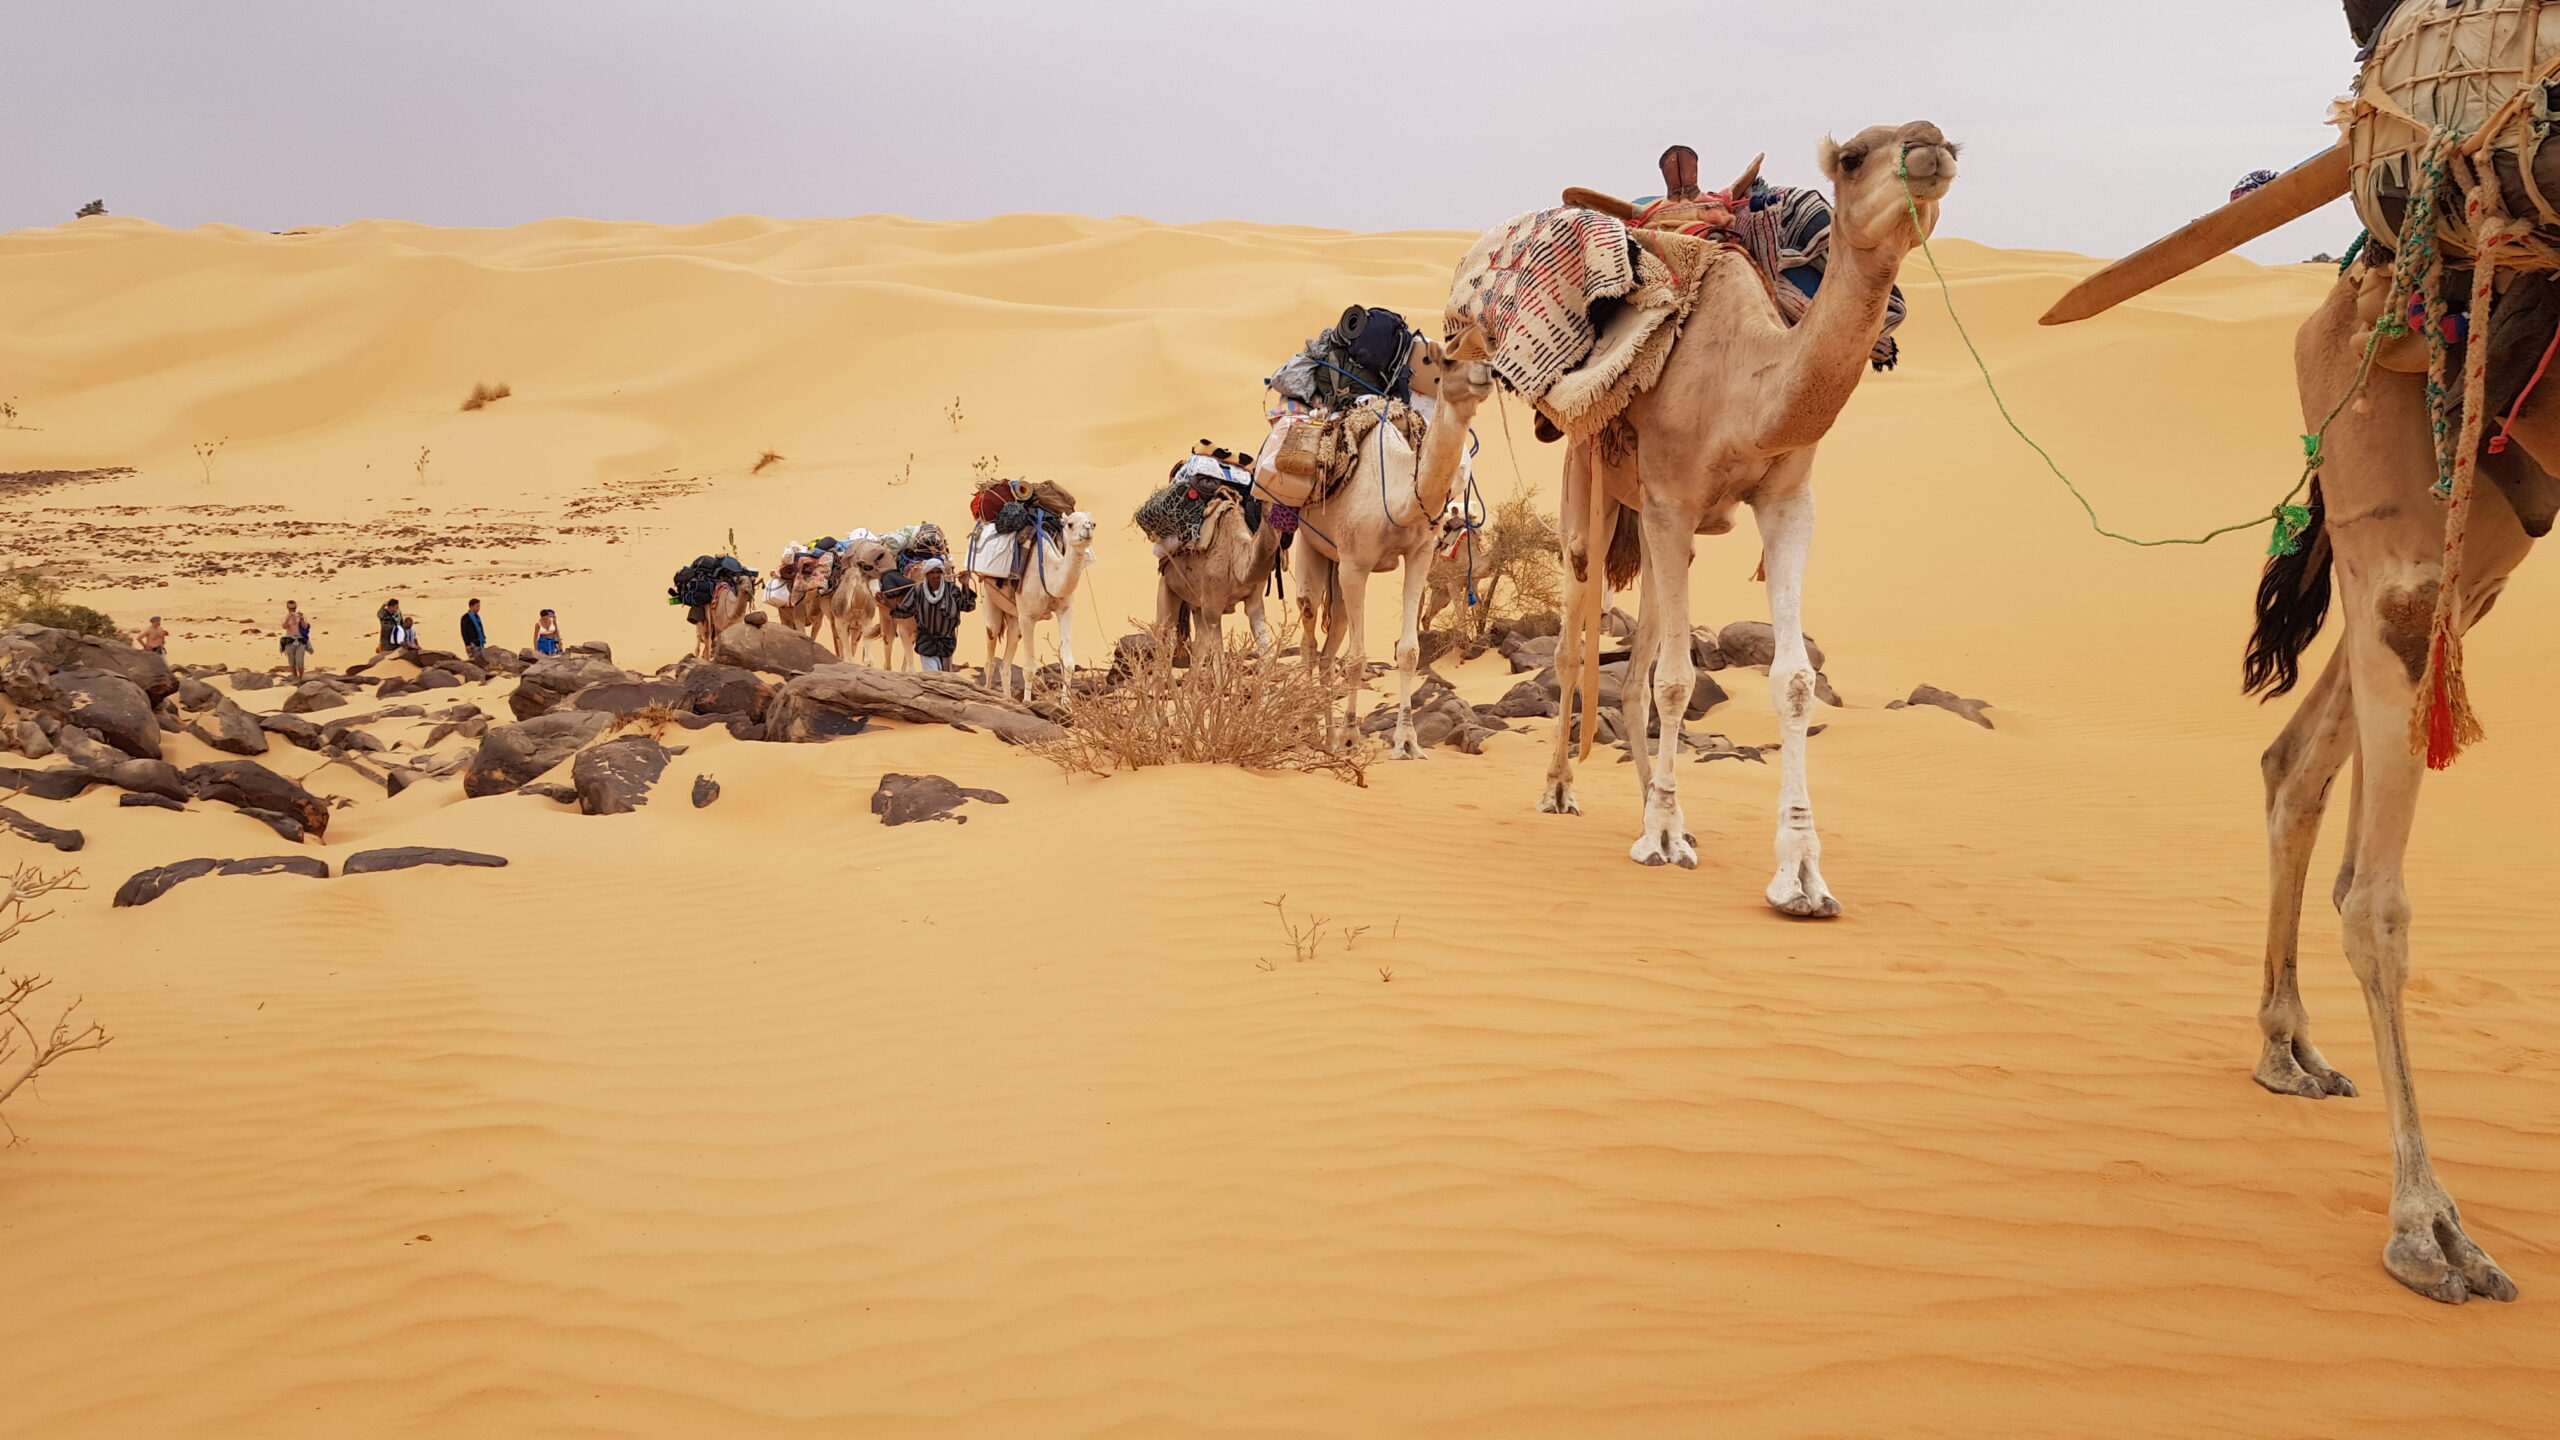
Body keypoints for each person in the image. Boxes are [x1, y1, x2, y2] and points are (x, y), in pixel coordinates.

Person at [900, 558, 974, 672]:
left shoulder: (952, 590)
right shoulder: (918, 591)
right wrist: (885, 601)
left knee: (946, 681)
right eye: (932, 572)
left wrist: (965, 585)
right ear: (926, 575)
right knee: (934, 678)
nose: (935, 575)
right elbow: (903, 610)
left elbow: (968, 606)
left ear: (942, 573)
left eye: (938, 572)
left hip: (946, 643)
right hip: (926, 642)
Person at [280, 600, 312, 681]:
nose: (292, 610)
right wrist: (288, 618)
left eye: (293, 608)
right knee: (292, 662)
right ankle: (295, 678)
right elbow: (284, 626)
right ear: (287, 608)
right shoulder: (285, 616)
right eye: (290, 609)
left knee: (300, 661)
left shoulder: (301, 616)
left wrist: (301, 619)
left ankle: (301, 678)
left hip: (300, 640)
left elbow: (305, 627)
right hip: (289, 640)